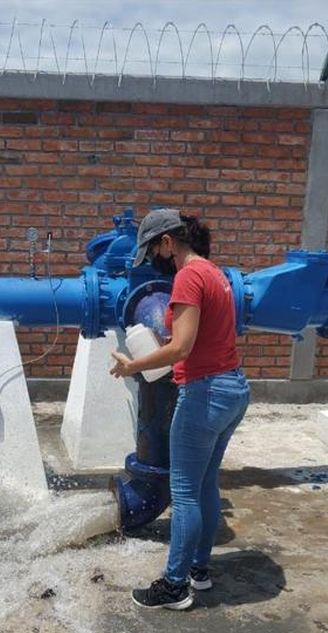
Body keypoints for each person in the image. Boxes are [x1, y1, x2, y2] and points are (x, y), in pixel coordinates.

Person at [109, 208, 251, 610]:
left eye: (155, 251)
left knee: (185, 492)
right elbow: (197, 339)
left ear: (168, 242)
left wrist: (133, 365)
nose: (156, 260)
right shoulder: (214, 273)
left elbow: (182, 348)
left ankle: (174, 586)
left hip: (205, 394)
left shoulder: (188, 275)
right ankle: (199, 571)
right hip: (232, 388)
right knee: (205, 485)